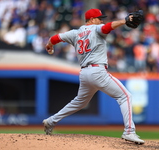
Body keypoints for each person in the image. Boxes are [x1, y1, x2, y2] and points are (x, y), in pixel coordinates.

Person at [43, 8, 145, 144]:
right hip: (97, 71)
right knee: (125, 96)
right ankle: (129, 131)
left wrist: (50, 45)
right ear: (91, 20)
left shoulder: (75, 33)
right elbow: (107, 27)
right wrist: (124, 21)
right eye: (99, 18)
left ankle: (51, 121)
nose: (101, 20)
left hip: (84, 74)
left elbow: (55, 38)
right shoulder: (96, 29)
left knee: (80, 102)